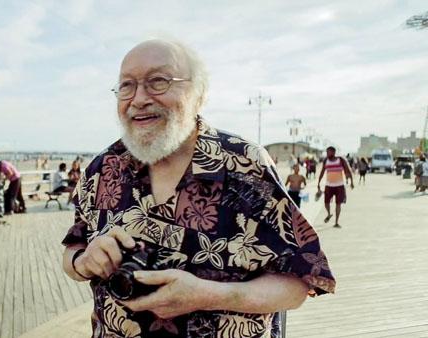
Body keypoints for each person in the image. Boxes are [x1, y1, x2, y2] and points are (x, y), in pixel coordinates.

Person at [61, 39, 335, 338]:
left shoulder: (245, 165)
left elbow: (298, 284)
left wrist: (208, 294)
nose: (139, 98)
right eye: (127, 85)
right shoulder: (102, 169)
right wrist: (84, 261)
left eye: (158, 82)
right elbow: (73, 250)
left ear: (198, 95)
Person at [316, 146, 354, 228]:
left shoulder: (341, 160)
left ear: (333, 152)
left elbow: (348, 170)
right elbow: (322, 172)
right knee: (326, 202)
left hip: (339, 186)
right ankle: (329, 214)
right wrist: (318, 183)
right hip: (329, 185)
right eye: (326, 152)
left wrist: (351, 182)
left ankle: (336, 222)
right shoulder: (326, 160)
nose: (327, 154)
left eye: (328, 152)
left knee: (338, 204)